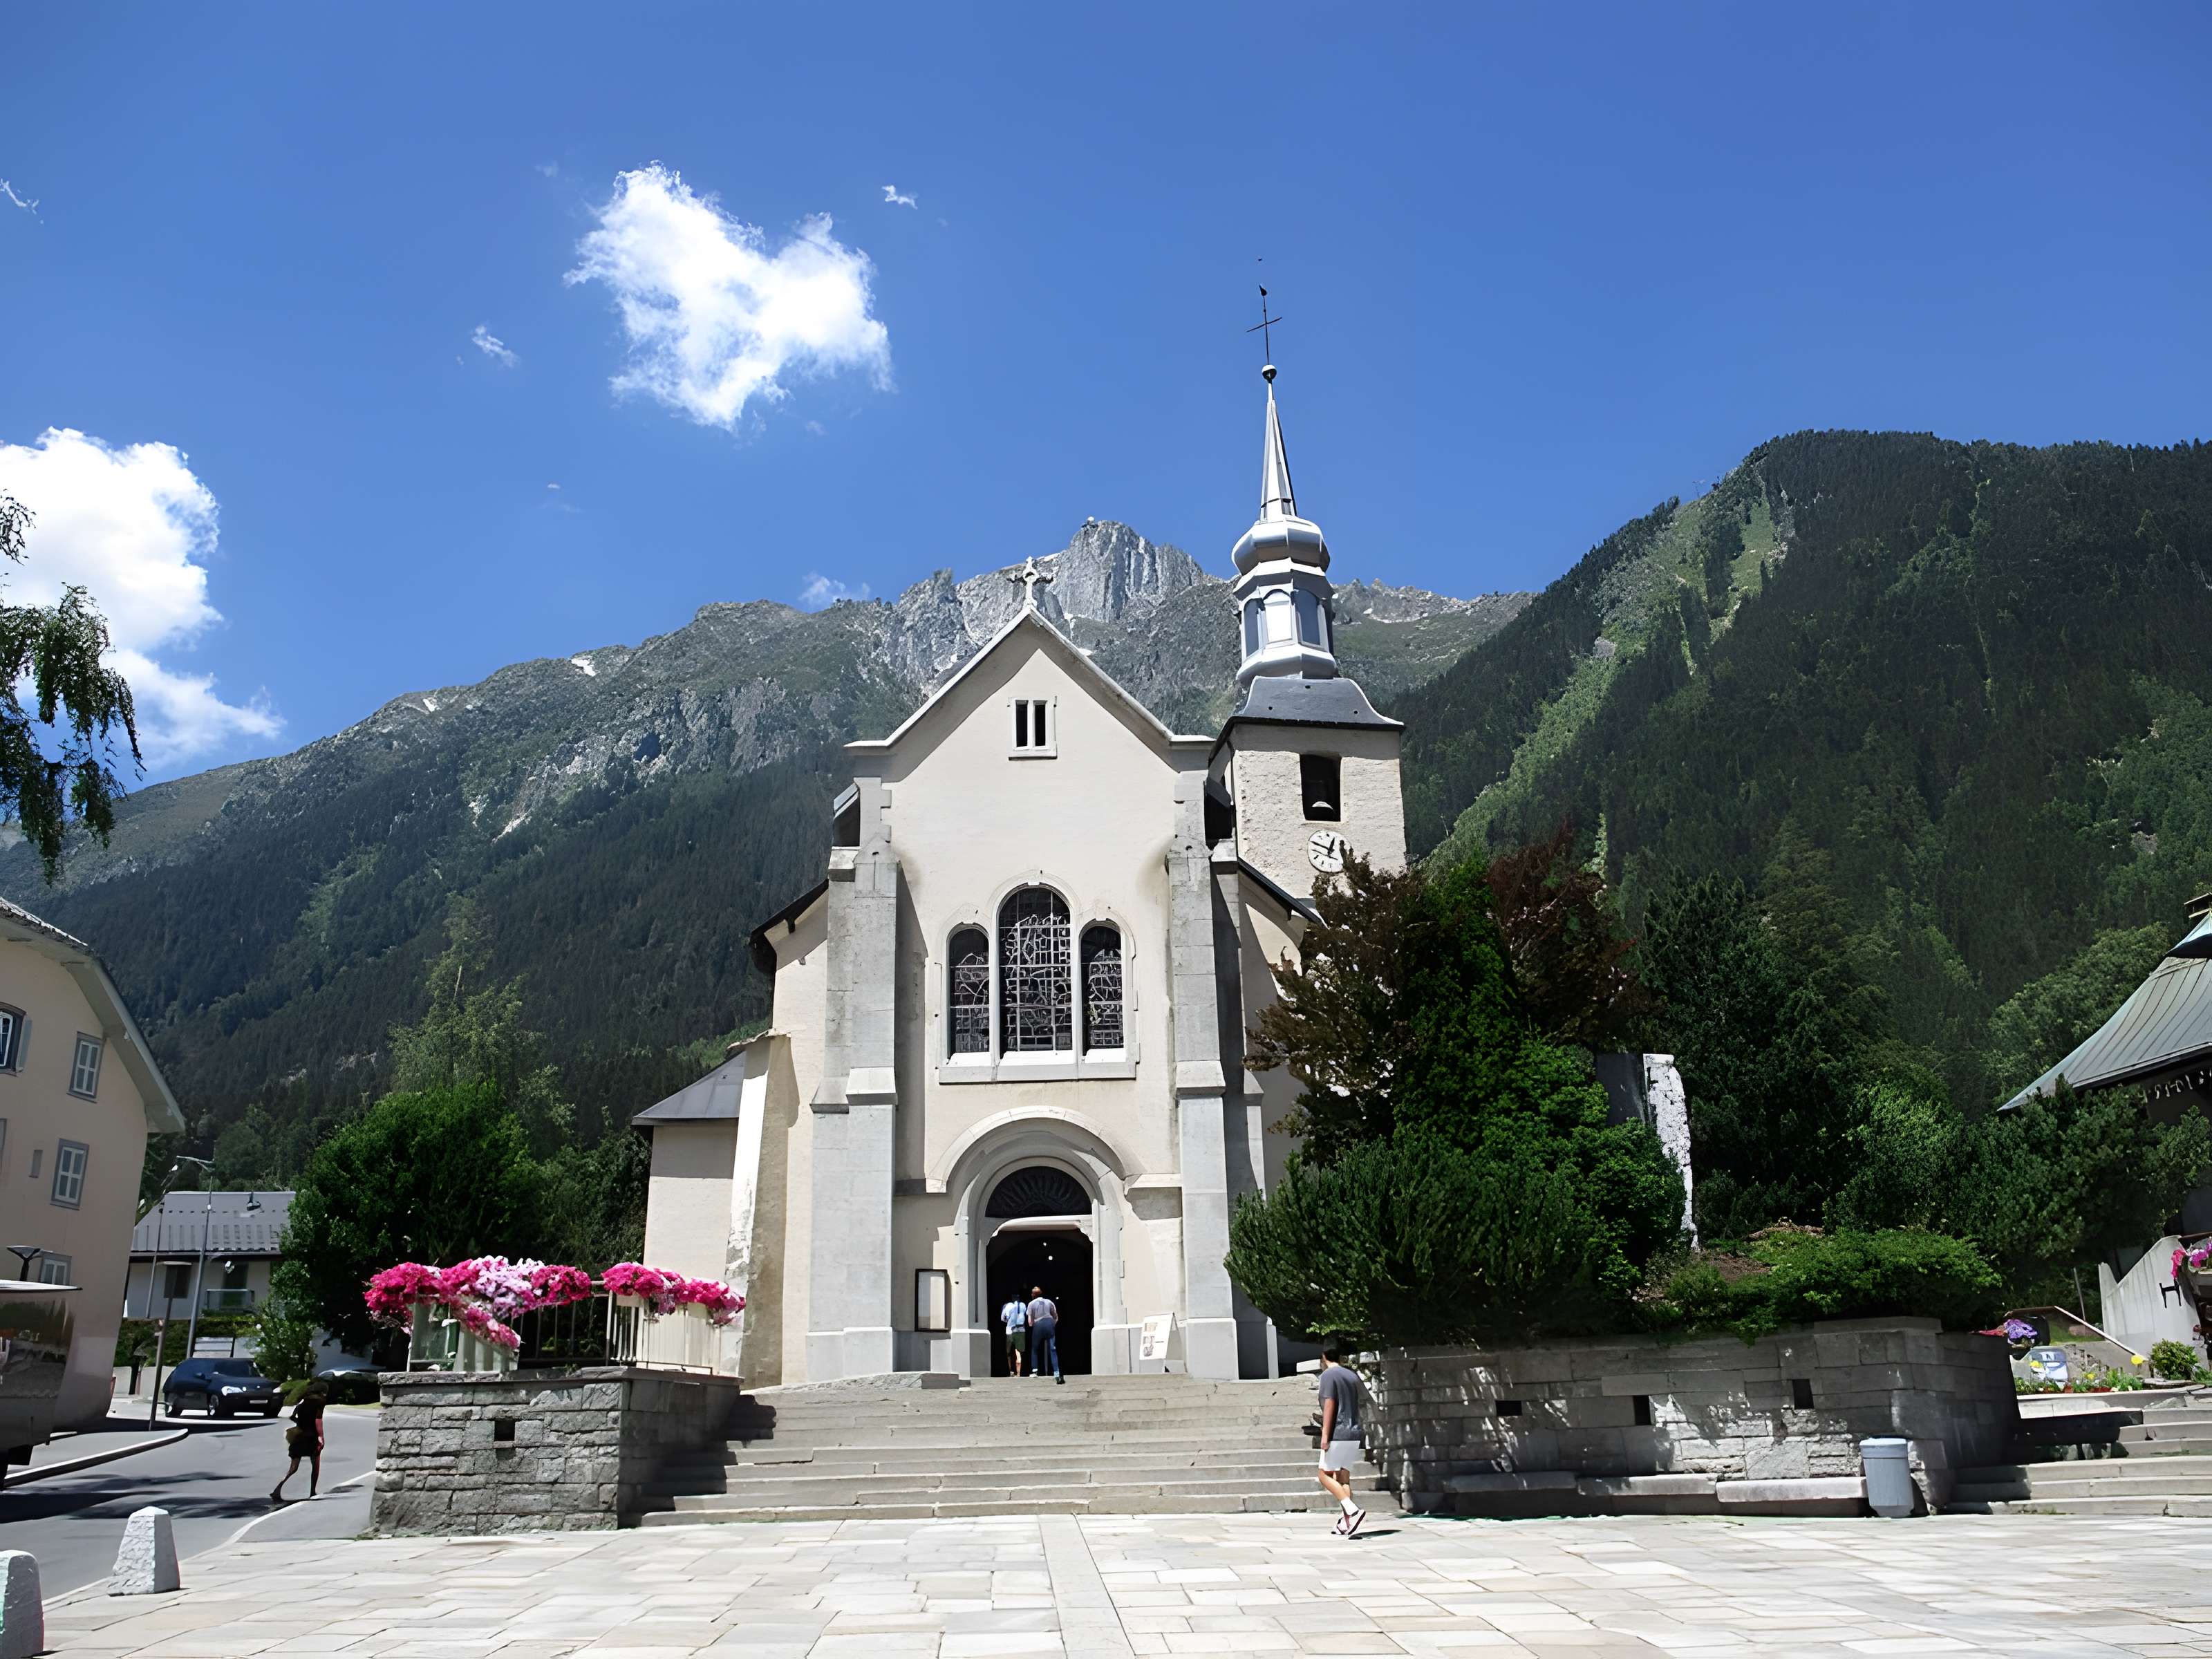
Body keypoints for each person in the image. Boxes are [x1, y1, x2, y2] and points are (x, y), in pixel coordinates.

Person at [1315, 1340, 1365, 1536]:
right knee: (1343, 1478)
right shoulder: (1351, 1375)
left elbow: (1330, 1405)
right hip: (1353, 1431)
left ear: (1324, 1356)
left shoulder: (1328, 1375)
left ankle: (1352, 1511)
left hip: (1338, 1432)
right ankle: (1346, 1523)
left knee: (1323, 1475)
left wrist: (1325, 1436)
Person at [271, 1378, 328, 1502]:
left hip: (299, 1436)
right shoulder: (320, 1403)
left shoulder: (302, 1404)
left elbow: (292, 1417)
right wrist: (321, 1437)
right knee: (315, 1465)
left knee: (294, 1467)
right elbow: (318, 1420)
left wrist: (301, 1424)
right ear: (321, 1392)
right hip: (311, 1438)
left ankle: (278, 1488)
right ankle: (312, 1491)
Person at [1026, 1286, 1062, 1383]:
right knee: (1052, 1348)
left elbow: (1030, 1322)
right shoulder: (1050, 1302)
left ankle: (1035, 1371)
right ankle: (1056, 1372)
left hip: (1038, 1324)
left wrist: (1035, 1324)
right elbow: (1055, 1316)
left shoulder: (1031, 1304)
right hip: (1050, 1323)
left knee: (1035, 1348)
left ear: (1033, 1295)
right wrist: (1052, 1324)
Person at [999, 1291, 1030, 1377]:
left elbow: (1003, 1318)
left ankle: (1011, 1371)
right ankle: (1018, 1373)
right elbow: (1026, 1315)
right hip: (1021, 1330)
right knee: (1018, 1351)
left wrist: (1009, 1320)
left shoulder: (1008, 1306)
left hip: (1010, 1330)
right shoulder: (1023, 1305)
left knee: (1009, 1352)